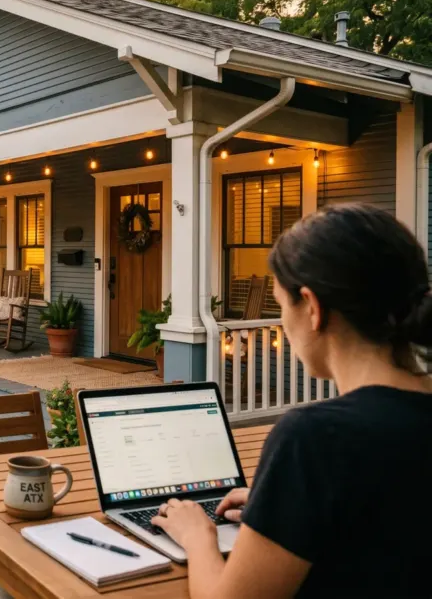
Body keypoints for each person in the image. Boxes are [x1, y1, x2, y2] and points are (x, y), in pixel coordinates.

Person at [151, 203, 432, 598]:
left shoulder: (315, 438)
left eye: (281, 305)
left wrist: (198, 536)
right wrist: (282, 506)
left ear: (313, 308)